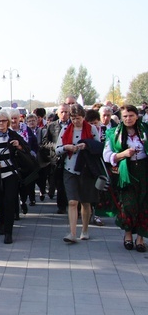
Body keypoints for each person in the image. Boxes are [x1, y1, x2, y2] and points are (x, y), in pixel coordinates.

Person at [0, 110, 31, 244]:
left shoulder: (13, 135)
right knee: (0, 202)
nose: (1, 123)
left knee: (10, 202)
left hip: (11, 173)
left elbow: (27, 149)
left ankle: (8, 232)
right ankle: (2, 224)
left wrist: (18, 146)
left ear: (8, 122)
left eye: (3, 121)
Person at [104, 105, 148, 252]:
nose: (128, 119)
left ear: (137, 116)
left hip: (144, 170)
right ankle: (128, 234)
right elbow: (107, 155)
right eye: (125, 116)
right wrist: (123, 154)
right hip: (126, 172)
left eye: (131, 115)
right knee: (128, 204)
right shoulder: (113, 133)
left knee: (143, 204)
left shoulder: (145, 131)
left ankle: (140, 238)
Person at [56, 104, 100, 243]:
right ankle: (72, 233)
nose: (75, 121)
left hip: (86, 169)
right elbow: (57, 149)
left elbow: (99, 147)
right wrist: (66, 147)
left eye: (78, 118)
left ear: (83, 117)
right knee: (73, 201)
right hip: (69, 169)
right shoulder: (65, 129)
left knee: (85, 202)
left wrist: (86, 145)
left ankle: (85, 230)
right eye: (73, 118)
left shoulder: (91, 129)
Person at [41, 104, 71, 214]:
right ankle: (61, 206)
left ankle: (71, 203)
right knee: (59, 183)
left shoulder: (73, 125)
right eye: (62, 112)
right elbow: (44, 142)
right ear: (57, 113)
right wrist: (56, 146)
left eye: (67, 112)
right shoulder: (51, 125)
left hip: (70, 156)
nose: (64, 114)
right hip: (57, 158)